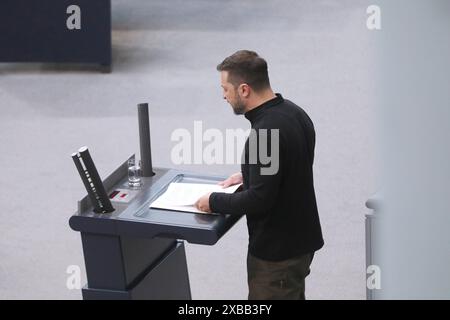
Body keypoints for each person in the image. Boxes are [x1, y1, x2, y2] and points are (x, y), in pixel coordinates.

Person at [195, 50, 324, 300]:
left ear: (244, 89)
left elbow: (259, 200)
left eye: (225, 88)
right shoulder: (295, 113)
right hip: (301, 242)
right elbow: (292, 166)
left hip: (278, 256)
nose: (223, 95)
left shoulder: (265, 133)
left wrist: (212, 201)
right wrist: (250, 174)